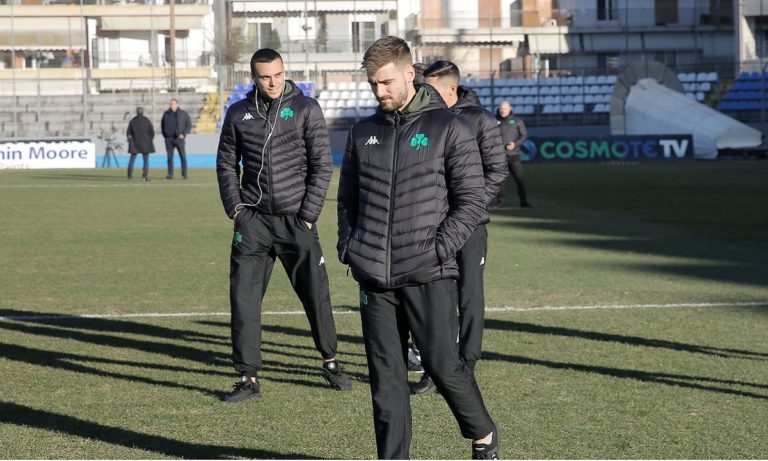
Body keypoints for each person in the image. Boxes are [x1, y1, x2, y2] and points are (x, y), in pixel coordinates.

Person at [337, 36, 499, 460]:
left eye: (386, 82)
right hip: (374, 276)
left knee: (444, 366)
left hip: (428, 271)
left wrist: (438, 249)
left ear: (410, 74)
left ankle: (483, 434)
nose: (379, 92)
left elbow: (471, 201)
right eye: (373, 84)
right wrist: (350, 245)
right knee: (386, 380)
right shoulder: (362, 132)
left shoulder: (449, 127)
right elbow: (347, 197)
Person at [216, 47, 352, 403]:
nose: (273, 82)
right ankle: (248, 377)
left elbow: (322, 165)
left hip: (297, 221)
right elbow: (227, 164)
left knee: (316, 295)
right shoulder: (238, 113)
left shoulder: (306, 109)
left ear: (284, 71)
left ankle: (331, 361)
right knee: (244, 300)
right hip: (253, 223)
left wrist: (308, 214)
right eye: (265, 77)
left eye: (277, 75)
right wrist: (236, 210)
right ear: (254, 78)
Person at [406, 60, 508, 396]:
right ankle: (437, 368)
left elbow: (497, 170)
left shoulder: (480, 120)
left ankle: (466, 365)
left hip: (470, 227)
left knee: (469, 297)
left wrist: (470, 208)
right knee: (438, 298)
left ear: (451, 89)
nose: (424, 94)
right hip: (433, 225)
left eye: (430, 89)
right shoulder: (427, 119)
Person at [494, 100, 531, 207]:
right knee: (500, 181)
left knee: (519, 179)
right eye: (501, 108)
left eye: (505, 108)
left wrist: (515, 144)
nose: (503, 110)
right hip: (499, 156)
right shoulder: (493, 120)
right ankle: (500, 203)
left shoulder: (517, 120)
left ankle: (524, 202)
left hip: (514, 155)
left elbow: (523, 135)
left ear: (510, 108)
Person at [161, 98, 192, 180]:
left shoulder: (183, 113)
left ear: (177, 104)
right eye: (171, 104)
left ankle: (184, 174)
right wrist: (165, 136)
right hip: (169, 139)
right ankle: (170, 174)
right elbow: (162, 125)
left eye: (174, 104)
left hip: (179, 139)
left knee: (183, 157)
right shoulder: (166, 114)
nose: (172, 105)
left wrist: (183, 134)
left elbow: (189, 125)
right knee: (169, 158)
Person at [126, 106, 155, 182]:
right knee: (145, 160)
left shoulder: (133, 121)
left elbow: (128, 133)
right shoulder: (147, 121)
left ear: (136, 112)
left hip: (134, 143)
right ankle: (144, 177)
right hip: (145, 143)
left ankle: (130, 177)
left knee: (132, 160)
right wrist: (149, 140)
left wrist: (131, 140)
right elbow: (152, 132)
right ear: (143, 112)